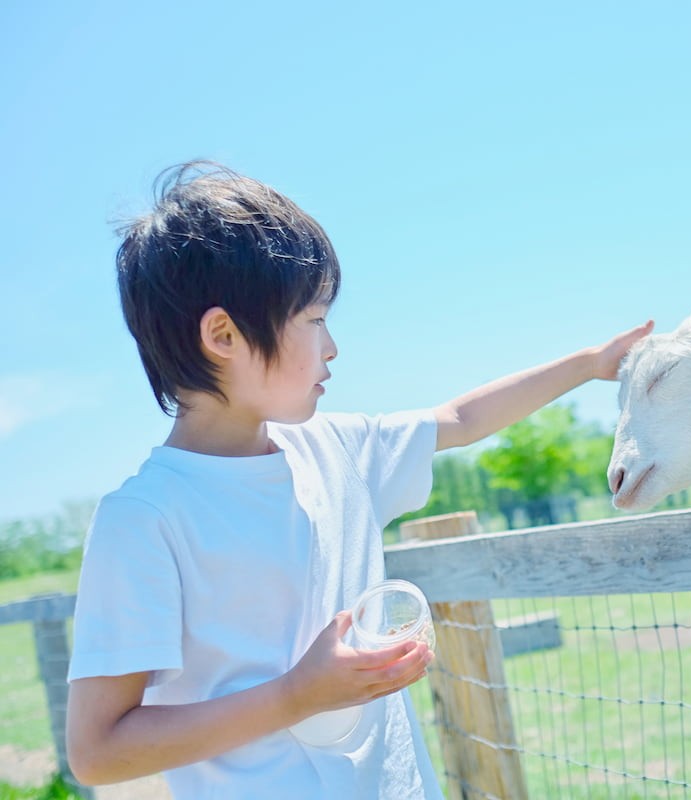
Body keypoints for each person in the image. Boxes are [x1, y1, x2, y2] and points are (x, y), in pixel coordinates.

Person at [64, 162, 652, 800]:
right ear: (223, 335)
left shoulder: (338, 450)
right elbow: (98, 751)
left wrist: (591, 364)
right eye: (314, 320)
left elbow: (459, 418)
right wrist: (297, 695)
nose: (333, 347)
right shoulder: (145, 519)